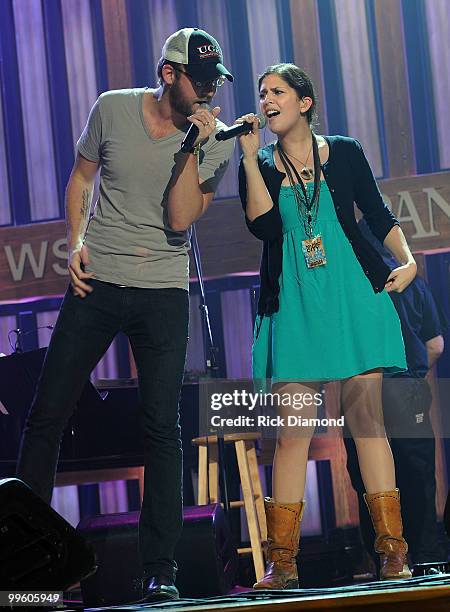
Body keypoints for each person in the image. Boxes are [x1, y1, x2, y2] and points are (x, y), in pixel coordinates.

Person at [16, 28, 234, 602]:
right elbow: (82, 177)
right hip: (98, 282)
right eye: (201, 79)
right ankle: (27, 561)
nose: (210, 90)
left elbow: (181, 218)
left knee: (163, 427)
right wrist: (75, 242)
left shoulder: (215, 140)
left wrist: (193, 145)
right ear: (169, 74)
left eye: (216, 80)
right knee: (46, 415)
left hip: (162, 291)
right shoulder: (112, 109)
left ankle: (160, 569)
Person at [237, 63, 417, 589]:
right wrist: (248, 160)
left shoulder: (346, 151)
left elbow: (377, 214)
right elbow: (264, 226)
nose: (267, 100)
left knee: (368, 425)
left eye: (278, 92)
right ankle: (282, 563)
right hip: (294, 304)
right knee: (291, 436)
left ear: (305, 102)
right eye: (263, 93)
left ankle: (392, 553)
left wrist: (406, 261)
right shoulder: (263, 162)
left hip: (354, 296)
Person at [345, 218, 448, 570]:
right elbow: (435, 344)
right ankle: (428, 557)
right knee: (417, 473)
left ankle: (383, 559)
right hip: (408, 386)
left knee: (367, 475)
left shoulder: (353, 283)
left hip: (361, 388)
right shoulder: (412, 283)